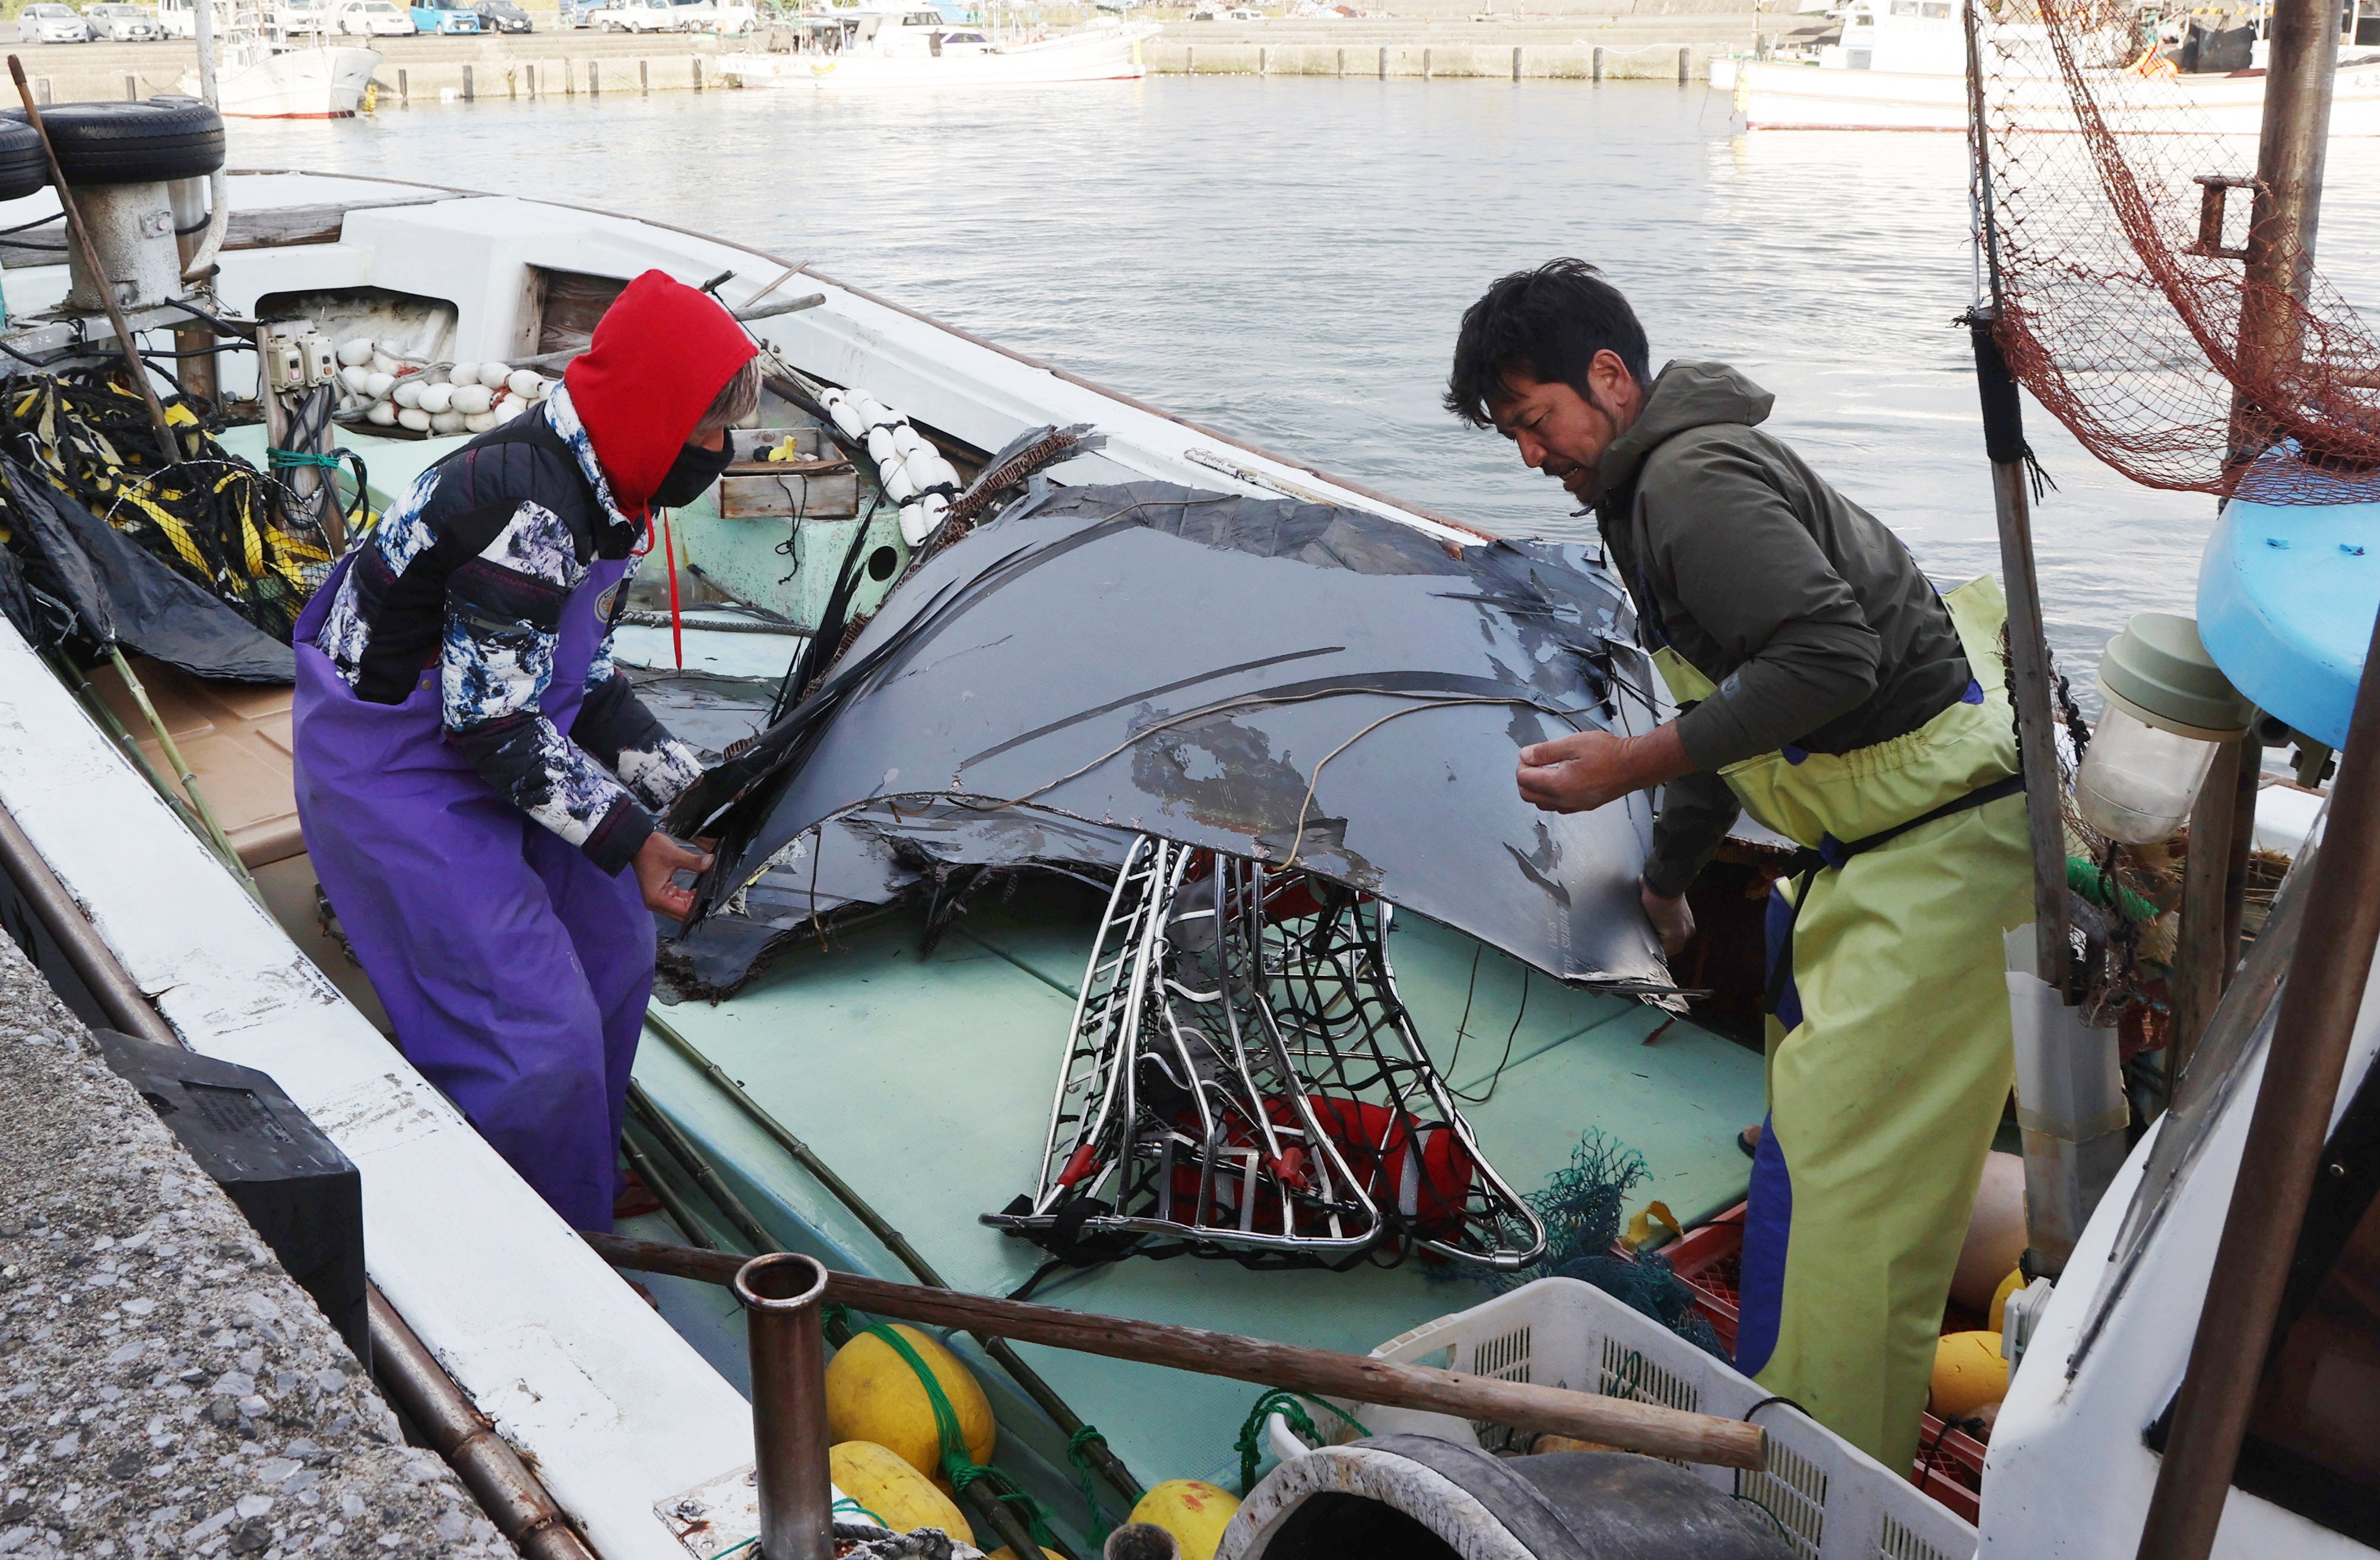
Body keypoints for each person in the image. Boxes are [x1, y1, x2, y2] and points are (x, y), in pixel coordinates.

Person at [1444, 259, 2033, 1471]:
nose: (1528, 456)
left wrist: (1622, 765)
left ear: (1609, 379)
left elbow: (1827, 661)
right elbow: (1736, 705)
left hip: (1940, 851)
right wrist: (1669, 873)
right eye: (1508, 434)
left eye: (1533, 421)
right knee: (1819, 1160)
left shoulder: (1690, 484)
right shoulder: (1648, 489)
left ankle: (1823, 1489)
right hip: (1879, 848)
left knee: (1843, 1207)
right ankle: (1807, 1428)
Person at [291, 269, 756, 1233]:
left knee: (617, 951)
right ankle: (544, 1237)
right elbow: (487, 724)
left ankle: (575, 1154)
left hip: (513, 729)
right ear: (656, 412)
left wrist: (700, 793)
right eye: (709, 427)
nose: (722, 450)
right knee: (529, 1034)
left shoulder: (613, 484)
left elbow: (583, 686)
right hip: (400, 760)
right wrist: (634, 840)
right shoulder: (529, 508)